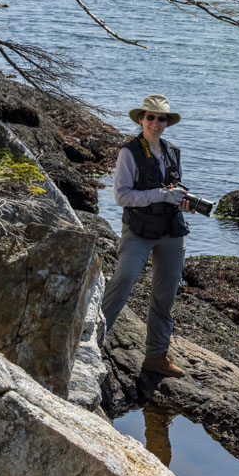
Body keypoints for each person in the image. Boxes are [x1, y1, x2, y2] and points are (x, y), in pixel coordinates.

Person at [102, 94, 190, 378]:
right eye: (150, 117)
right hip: (138, 231)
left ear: (167, 122)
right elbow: (121, 196)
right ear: (141, 119)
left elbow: (173, 188)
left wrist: (181, 199)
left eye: (161, 118)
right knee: (123, 279)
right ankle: (88, 340)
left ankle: (156, 356)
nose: (155, 122)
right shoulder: (128, 152)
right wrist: (162, 194)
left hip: (171, 231)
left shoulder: (173, 151)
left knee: (165, 297)